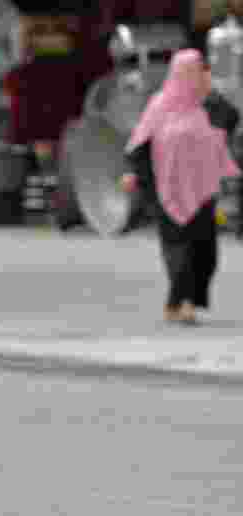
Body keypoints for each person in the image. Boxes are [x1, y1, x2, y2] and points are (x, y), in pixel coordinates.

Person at [121, 49, 241, 324]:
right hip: (167, 188)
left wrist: (211, 92)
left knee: (206, 251)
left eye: (201, 70)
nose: (198, 75)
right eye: (194, 70)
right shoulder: (159, 105)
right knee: (179, 247)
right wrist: (134, 174)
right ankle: (182, 302)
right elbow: (140, 143)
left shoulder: (209, 106)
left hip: (203, 188)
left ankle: (180, 302)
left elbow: (232, 119)